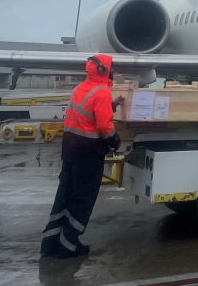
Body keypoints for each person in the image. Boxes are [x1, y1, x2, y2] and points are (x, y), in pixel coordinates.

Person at [40, 53, 123, 258]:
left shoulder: (81, 88)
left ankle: (50, 243)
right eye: (111, 68)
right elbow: (104, 126)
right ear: (104, 70)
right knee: (83, 199)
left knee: (65, 195)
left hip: (70, 149)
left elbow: (87, 113)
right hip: (88, 152)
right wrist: (114, 140)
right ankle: (69, 245)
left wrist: (111, 106)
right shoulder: (102, 92)